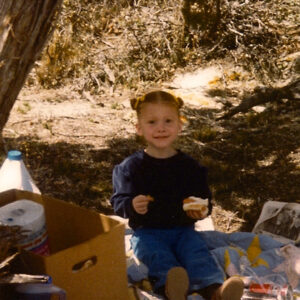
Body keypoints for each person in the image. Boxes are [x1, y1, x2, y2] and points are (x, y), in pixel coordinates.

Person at [110, 90, 244, 300]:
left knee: (197, 254)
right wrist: (132, 204)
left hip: (184, 230)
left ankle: (215, 290)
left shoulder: (190, 167)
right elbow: (118, 202)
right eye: (152, 122)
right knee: (158, 257)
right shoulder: (130, 168)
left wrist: (201, 210)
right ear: (139, 128)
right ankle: (171, 289)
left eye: (168, 121)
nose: (161, 128)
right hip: (148, 232)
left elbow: (204, 200)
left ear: (180, 126)